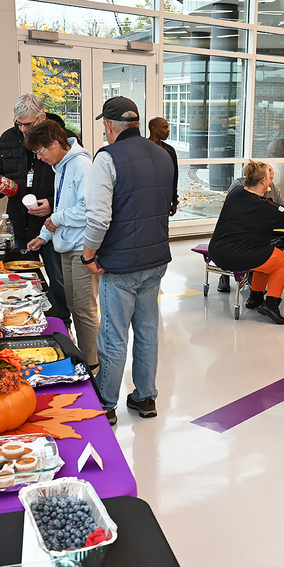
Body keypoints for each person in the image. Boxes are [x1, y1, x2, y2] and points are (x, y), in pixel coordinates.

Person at [82, 96, 175, 426]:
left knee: (113, 335)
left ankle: (107, 404)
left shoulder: (107, 158)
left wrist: (88, 254)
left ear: (108, 126)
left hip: (119, 265)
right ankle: (145, 396)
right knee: (148, 329)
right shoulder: (164, 155)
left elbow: (97, 219)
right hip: (156, 258)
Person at [0, 93, 71, 326]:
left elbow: (73, 187)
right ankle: (26, 323)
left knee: (59, 280)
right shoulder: (7, 139)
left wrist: (52, 204)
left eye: (29, 124)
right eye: (18, 123)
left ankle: (63, 324)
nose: (23, 129)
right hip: (18, 226)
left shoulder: (64, 138)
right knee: (21, 282)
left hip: (53, 226)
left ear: (42, 117)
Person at [23, 120, 98, 370]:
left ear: (56, 144)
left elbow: (88, 210)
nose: (39, 157)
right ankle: (81, 356)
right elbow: (63, 207)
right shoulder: (61, 166)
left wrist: (55, 218)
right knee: (73, 305)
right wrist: (44, 235)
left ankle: (91, 365)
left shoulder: (81, 165)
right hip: (67, 247)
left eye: (41, 151)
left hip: (82, 249)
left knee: (84, 310)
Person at [209, 160, 284, 325]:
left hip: (218, 251)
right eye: (269, 175)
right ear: (264, 180)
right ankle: (271, 304)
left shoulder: (236, 193)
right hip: (236, 255)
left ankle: (255, 298)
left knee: (266, 254)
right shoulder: (261, 206)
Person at [147, 117, 180, 217]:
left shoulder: (170, 151)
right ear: (154, 128)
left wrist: (174, 201)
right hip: (145, 200)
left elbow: (174, 178)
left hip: (163, 200)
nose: (168, 130)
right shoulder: (142, 149)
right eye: (165, 127)